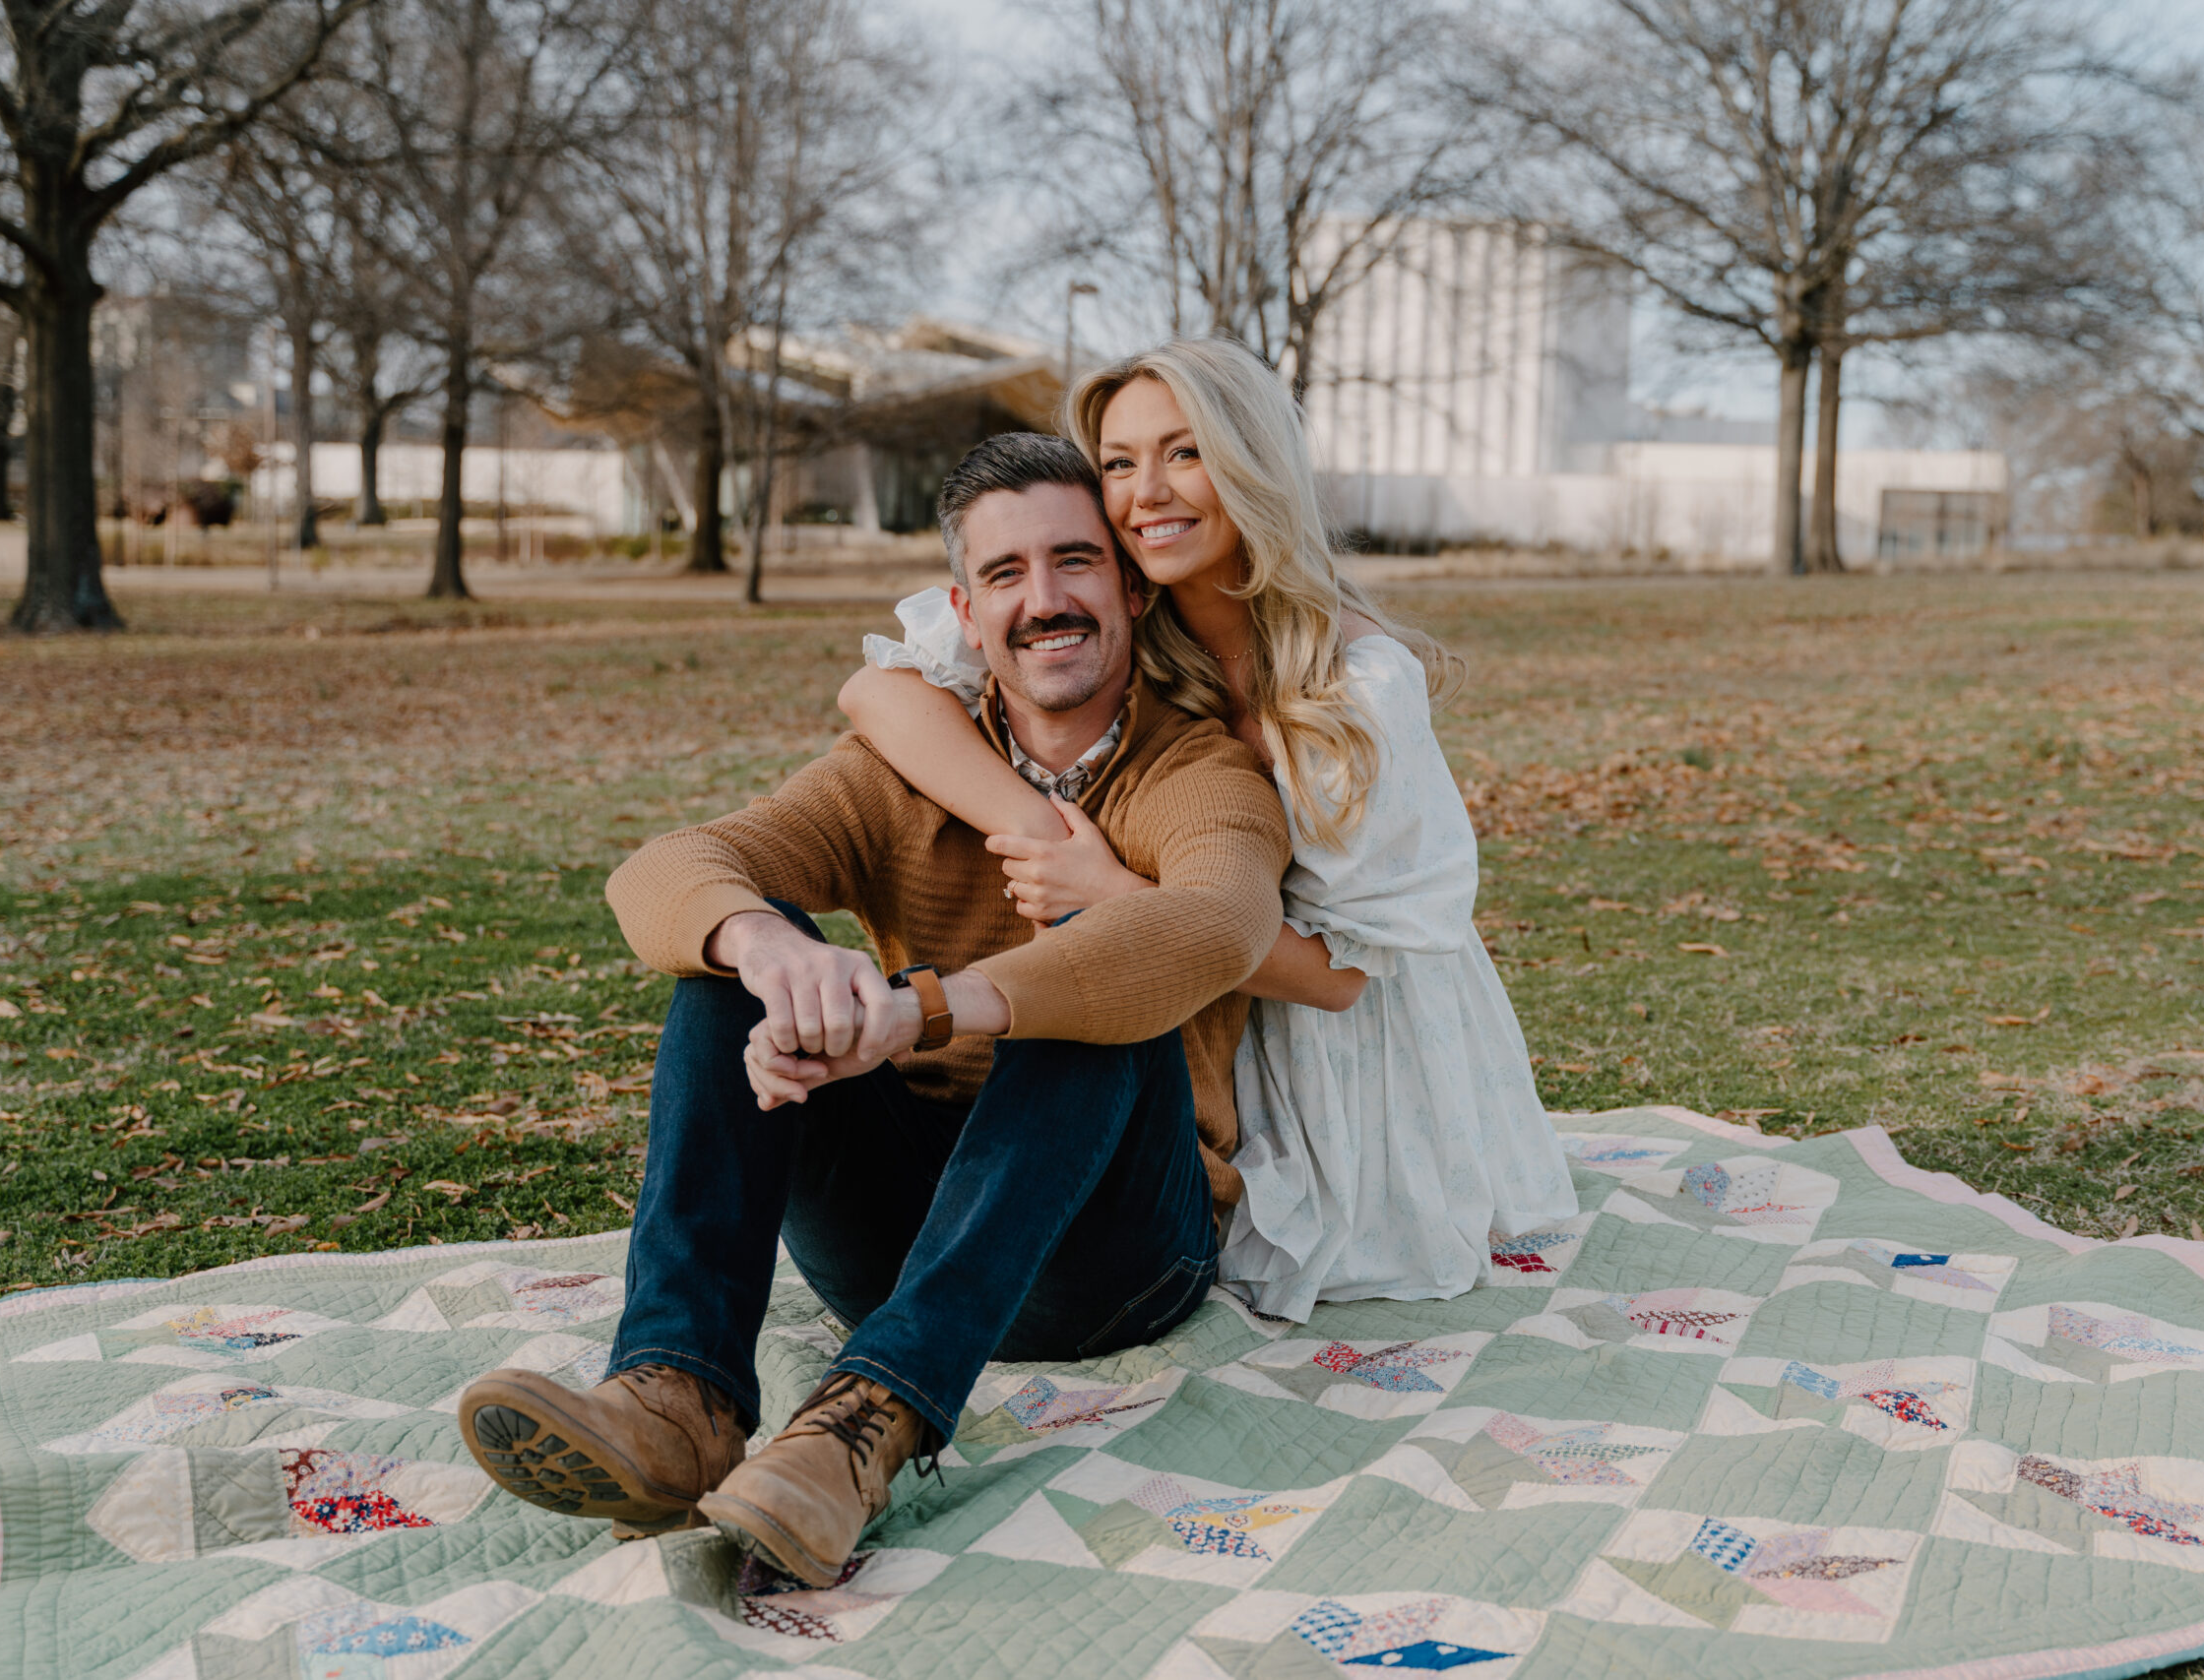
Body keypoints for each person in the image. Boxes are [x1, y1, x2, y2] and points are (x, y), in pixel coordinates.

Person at [455, 432, 1290, 1588]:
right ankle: (677, 1396)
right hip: (897, 1241)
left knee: (1091, 1002)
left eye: (1073, 563)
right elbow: (664, 870)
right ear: (963, 605)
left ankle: (861, 1430)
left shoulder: (1199, 775)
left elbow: (1219, 925)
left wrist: (926, 1009)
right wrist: (765, 948)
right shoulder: (898, 770)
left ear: (1132, 586)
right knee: (731, 970)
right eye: (1004, 576)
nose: (1042, 601)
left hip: (1113, 1257)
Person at [841, 338, 1577, 1323]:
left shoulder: (1353, 683)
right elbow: (877, 693)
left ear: (1251, 464)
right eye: (1117, 462)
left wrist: (1113, 894)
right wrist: (1036, 828)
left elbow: (1338, 978)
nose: (1146, 491)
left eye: (1184, 453)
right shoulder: (1115, 619)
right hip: (1191, 1012)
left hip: (1344, 1040)